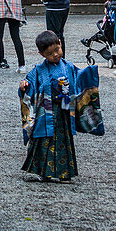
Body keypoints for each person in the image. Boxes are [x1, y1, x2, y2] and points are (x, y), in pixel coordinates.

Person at [19, 31, 83, 183]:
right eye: (49, 53)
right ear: (41, 54)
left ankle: (64, 172)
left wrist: (90, 75)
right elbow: (29, 85)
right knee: (43, 140)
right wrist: (24, 86)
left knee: (63, 141)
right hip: (46, 112)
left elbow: (81, 80)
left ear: (60, 43)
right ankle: (43, 171)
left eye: (57, 50)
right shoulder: (38, 70)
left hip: (64, 112)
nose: (55, 55)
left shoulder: (69, 67)